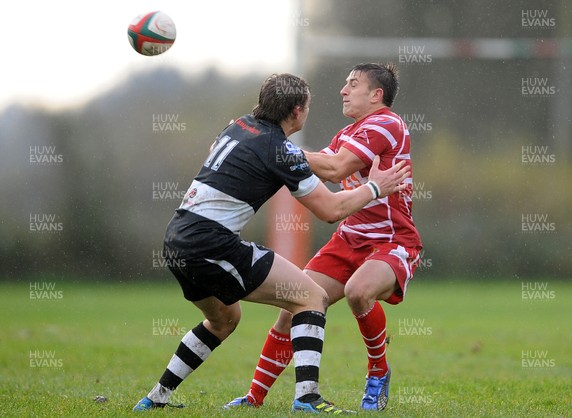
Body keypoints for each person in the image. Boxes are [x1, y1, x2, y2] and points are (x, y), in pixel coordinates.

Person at [132, 72, 411, 414]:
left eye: (353, 84)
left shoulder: (238, 127)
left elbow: (322, 165)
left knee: (224, 320)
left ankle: (155, 398)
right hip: (212, 244)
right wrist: (375, 187)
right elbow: (331, 206)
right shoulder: (280, 149)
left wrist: (286, 153)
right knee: (311, 297)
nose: (343, 89)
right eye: (308, 106)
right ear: (297, 111)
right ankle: (307, 398)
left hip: (176, 240)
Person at [225, 63, 422, 412]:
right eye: (344, 83)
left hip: (391, 241)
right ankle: (254, 399)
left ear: (377, 95)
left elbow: (334, 168)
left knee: (358, 292)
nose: (343, 90)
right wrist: (271, 155)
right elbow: (325, 168)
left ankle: (378, 371)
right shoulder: (350, 132)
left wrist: (270, 148)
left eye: (353, 84)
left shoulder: (386, 123)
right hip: (348, 239)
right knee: (294, 305)